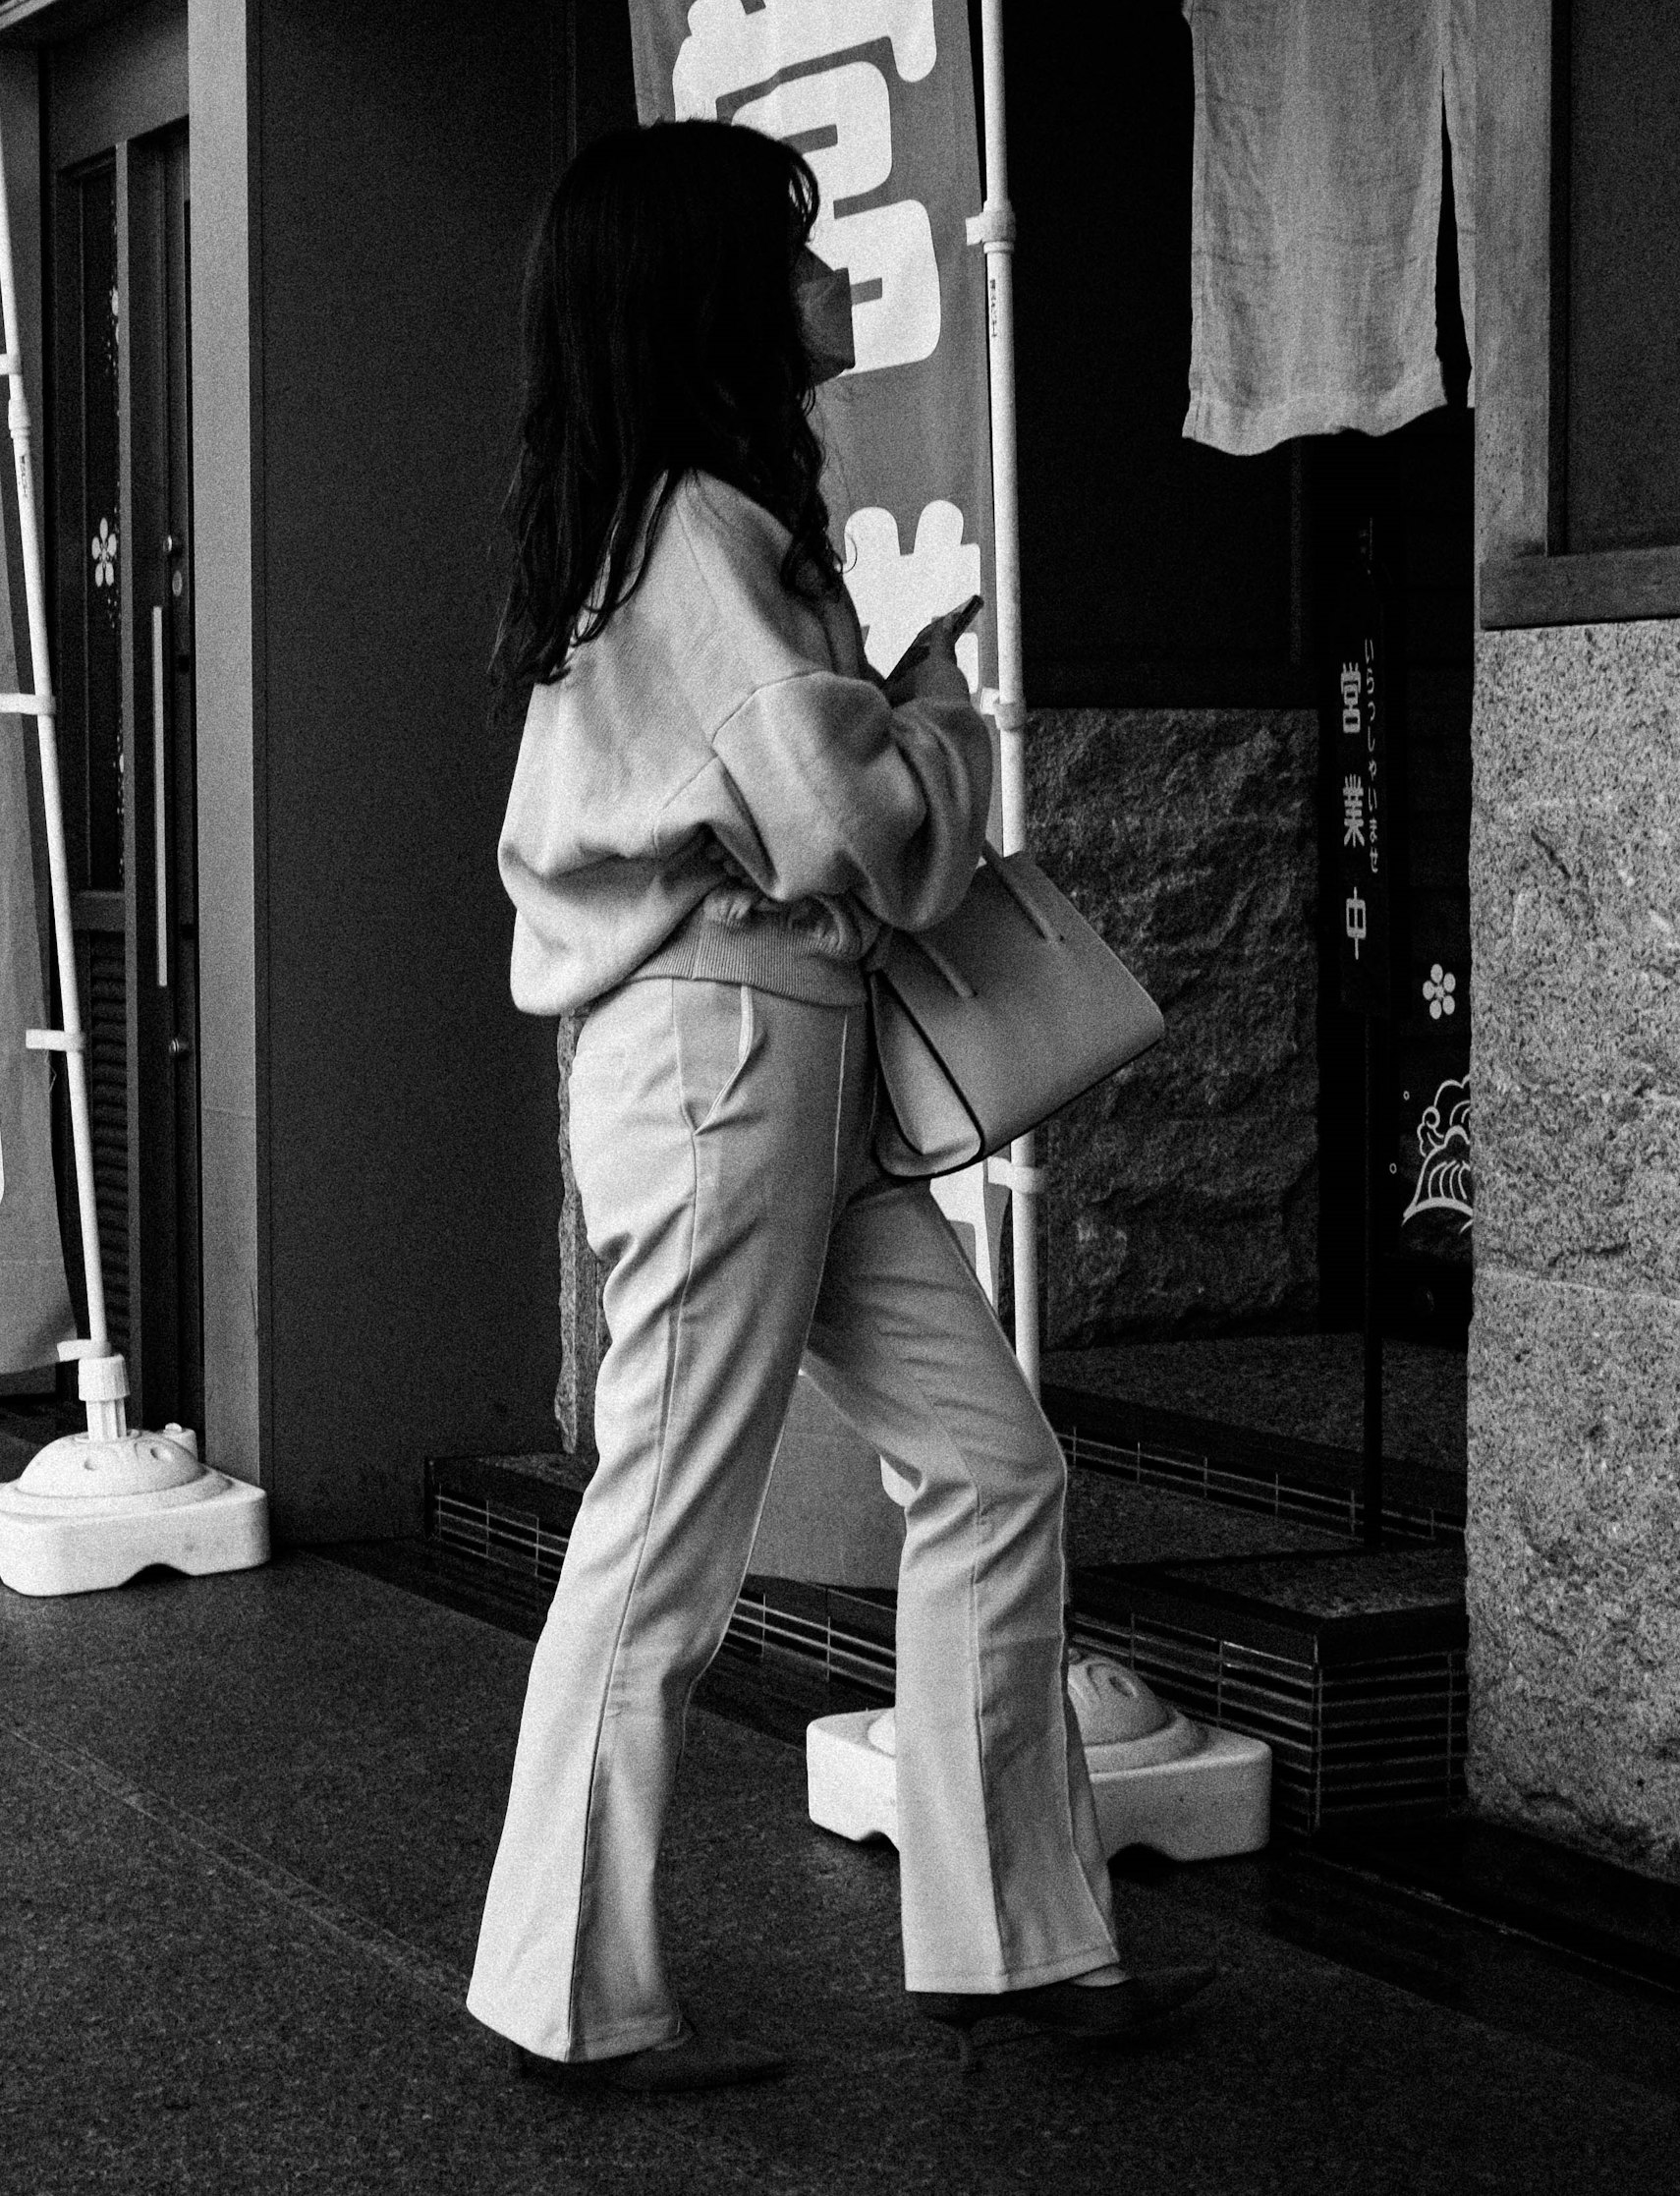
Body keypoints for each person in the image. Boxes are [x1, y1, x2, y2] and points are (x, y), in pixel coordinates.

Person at [470, 122, 1215, 2093]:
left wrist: (881, 715)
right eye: (797, 257)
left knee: (993, 1463)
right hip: (730, 1060)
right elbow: (873, 833)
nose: (833, 285)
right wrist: (943, 722)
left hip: (748, 1062)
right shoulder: (698, 534)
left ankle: (1017, 1943)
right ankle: (564, 1983)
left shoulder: (653, 530)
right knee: (666, 1533)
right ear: (715, 295)